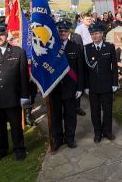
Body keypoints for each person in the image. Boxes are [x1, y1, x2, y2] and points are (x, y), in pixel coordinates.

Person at [0, 24, 29, 164]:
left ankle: (19, 149)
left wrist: (25, 96)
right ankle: (1, 150)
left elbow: (24, 76)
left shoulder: (18, 52)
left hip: (12, 97)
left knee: (16, 126)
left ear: (6, 35)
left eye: (1, 34)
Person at [51, 21, 85, 150]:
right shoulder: (51, 47)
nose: (63, 33)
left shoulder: (75, 47)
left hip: (71, 87)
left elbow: (80, 69)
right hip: (55, 88)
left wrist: (80, 87)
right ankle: (58, 139)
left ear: (69, 32)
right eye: (60, 31)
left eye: (65, 31)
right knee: (56, 116)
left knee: (70, 115)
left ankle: (70, 138)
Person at [84, 23, 118, 143]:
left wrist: (115, 83)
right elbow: (85, 70)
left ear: (102, 34)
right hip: (93, 86)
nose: (95, 36)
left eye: (97, 33)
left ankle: (107, 131)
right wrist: (86, 86)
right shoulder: (86, 49)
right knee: (95, 111)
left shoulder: (109, 47)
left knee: (108, 110)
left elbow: (114, 66)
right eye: (92, 34)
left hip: (107, 84)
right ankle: (97, 132)